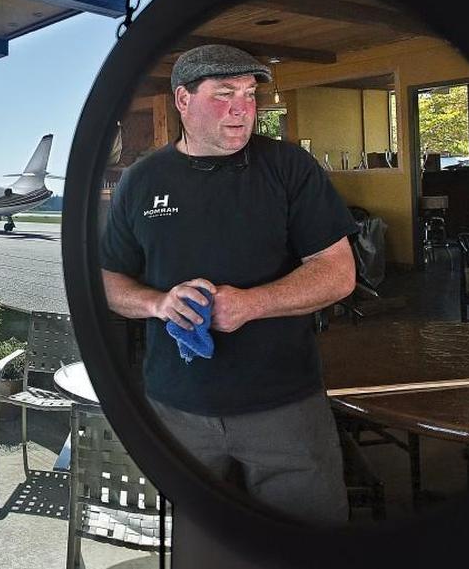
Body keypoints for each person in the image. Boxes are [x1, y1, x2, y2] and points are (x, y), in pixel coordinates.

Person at [100, 44, 358, 526]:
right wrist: (159, 304)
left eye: (249, 94)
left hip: (285, 406)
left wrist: (251, 304)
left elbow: (339, 272)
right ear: (182, 100)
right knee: (194, 541)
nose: (243, 109)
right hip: (175, 410)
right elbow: (108, 279)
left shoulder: (289, 167)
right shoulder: (140, 180)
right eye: (223, 95)